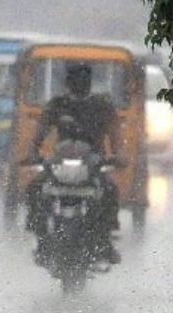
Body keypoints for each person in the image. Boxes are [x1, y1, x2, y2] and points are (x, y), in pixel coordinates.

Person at [22, 63, 121, 263]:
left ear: (90, 83)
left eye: (84, 80)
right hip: (59, 164)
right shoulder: (57, 105)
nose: (80, 84)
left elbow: (115, 134)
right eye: (75, 80)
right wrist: (32, 152)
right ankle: (42, 239)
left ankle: (104, 241)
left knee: (110, 190)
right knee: (35, 188)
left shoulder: (102, 106)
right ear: (68, 82)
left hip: (93, 164)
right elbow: (40, 132)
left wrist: (119, 155)